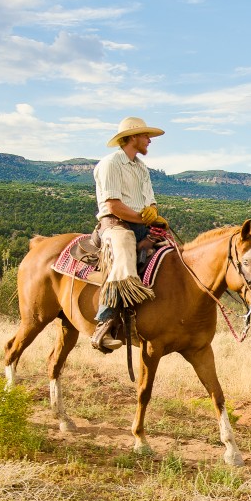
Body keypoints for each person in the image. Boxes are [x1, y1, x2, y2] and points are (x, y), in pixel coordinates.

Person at [90, 116, 168, 352]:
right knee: (123, 258)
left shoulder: (141, 167)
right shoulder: (110, 163)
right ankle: (104, 323)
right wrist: (143, 219)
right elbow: (113, 205)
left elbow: (150, 201)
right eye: (146, 136)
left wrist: (153, 214)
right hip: (115, 225)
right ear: (133, 137)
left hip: (139, 224)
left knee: (173, 253)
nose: (149, 141)